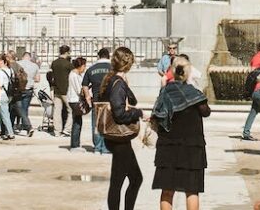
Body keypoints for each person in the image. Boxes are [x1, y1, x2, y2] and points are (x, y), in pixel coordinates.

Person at [150, 56, 211, 210]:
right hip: (192, 148)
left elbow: (157, 115)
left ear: (173, 71)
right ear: (188, 72)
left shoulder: (165, 93)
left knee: (167, 190)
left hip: (168, 147)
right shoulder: (195, 95)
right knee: (192, 191)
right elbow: (206, 112)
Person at [101, 47, 144, 210]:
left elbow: (130, 99)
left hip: (115, 138)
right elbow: (119, 114)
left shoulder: (112, 80)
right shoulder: (117, 84)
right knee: (131, 179)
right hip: (119, 138)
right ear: (128, 63)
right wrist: (137, 113)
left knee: (121, 180)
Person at [82, 48, 113, 154]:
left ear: (98, 56)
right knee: (107, 124)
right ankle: (105, 148)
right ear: (108, 56)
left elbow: (85, 85)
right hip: (109, 101)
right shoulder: (113, 69)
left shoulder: (91, 69)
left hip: (96, 100)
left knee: (96, 124)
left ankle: (97, 147)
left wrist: (87, 97)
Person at [242, 39, 260, 141]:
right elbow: (252, 75)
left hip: (259, 90)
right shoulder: (257, 58)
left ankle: (246, 133)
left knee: (253, 112)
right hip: (257, 90)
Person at [50, 45, 74, 137]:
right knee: (71, 110)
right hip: (66, 90)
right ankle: (67, 129)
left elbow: (51, 76)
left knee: (57, 111)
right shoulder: (68, 64)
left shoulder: (54, 63)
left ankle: (57, 131)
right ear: (67, 52)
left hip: (57, 90)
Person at [0, 54, 17, 140]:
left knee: (4, 114)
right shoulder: (10, 70)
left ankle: (10, 132)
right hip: (7, 94)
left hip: (1, 94)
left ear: (2, 61)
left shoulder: (0, 72)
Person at [16, 51, 41, 134]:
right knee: (25, 108)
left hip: (19, 89)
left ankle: (21, 124)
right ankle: (25, 125)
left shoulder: (17, 64)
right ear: (30, 57)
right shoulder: (35, 66)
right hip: (29, 89)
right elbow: (37, 79)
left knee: (17, 107)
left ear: (22, 57)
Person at [67, 57, 88, 150]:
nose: (85, 68)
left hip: (74, 100)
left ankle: (76, 143)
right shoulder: (74, 75)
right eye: (84, 66)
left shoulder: (76, 74)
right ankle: (75, 145)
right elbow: (78, 89)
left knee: (77, 121)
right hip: (75, 100)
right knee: (77, 122)